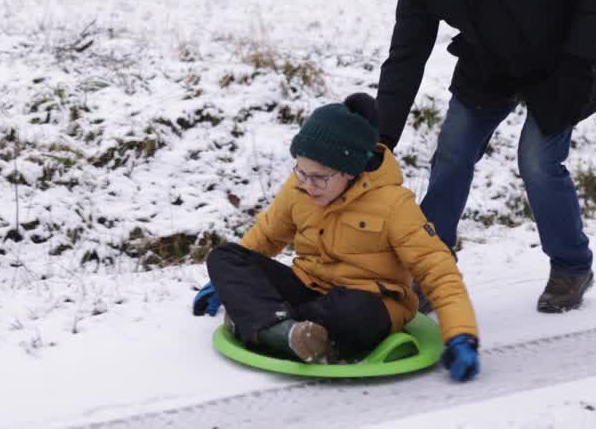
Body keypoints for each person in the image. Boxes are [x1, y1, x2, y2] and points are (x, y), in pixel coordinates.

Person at [360, 0, 596, 313]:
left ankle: (571, 265)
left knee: (538, 161)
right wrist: (381, 135)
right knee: (452, 155)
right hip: (490, 62)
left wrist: (577, 66)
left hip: (562, 63)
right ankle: (430, 266)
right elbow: (406, 54)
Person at [191, 94, 482, 382]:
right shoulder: (302, 186)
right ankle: (287, 331)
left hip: (366, 301)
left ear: (351, 171)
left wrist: (461, 335)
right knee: (225, 256)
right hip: (308, 287)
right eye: (301, 172)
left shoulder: (394, 205)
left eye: (319, 177)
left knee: (354, 312)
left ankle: (264, 324)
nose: (307, 185)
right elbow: (267, 234)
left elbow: (438, 271)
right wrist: (225, 281)